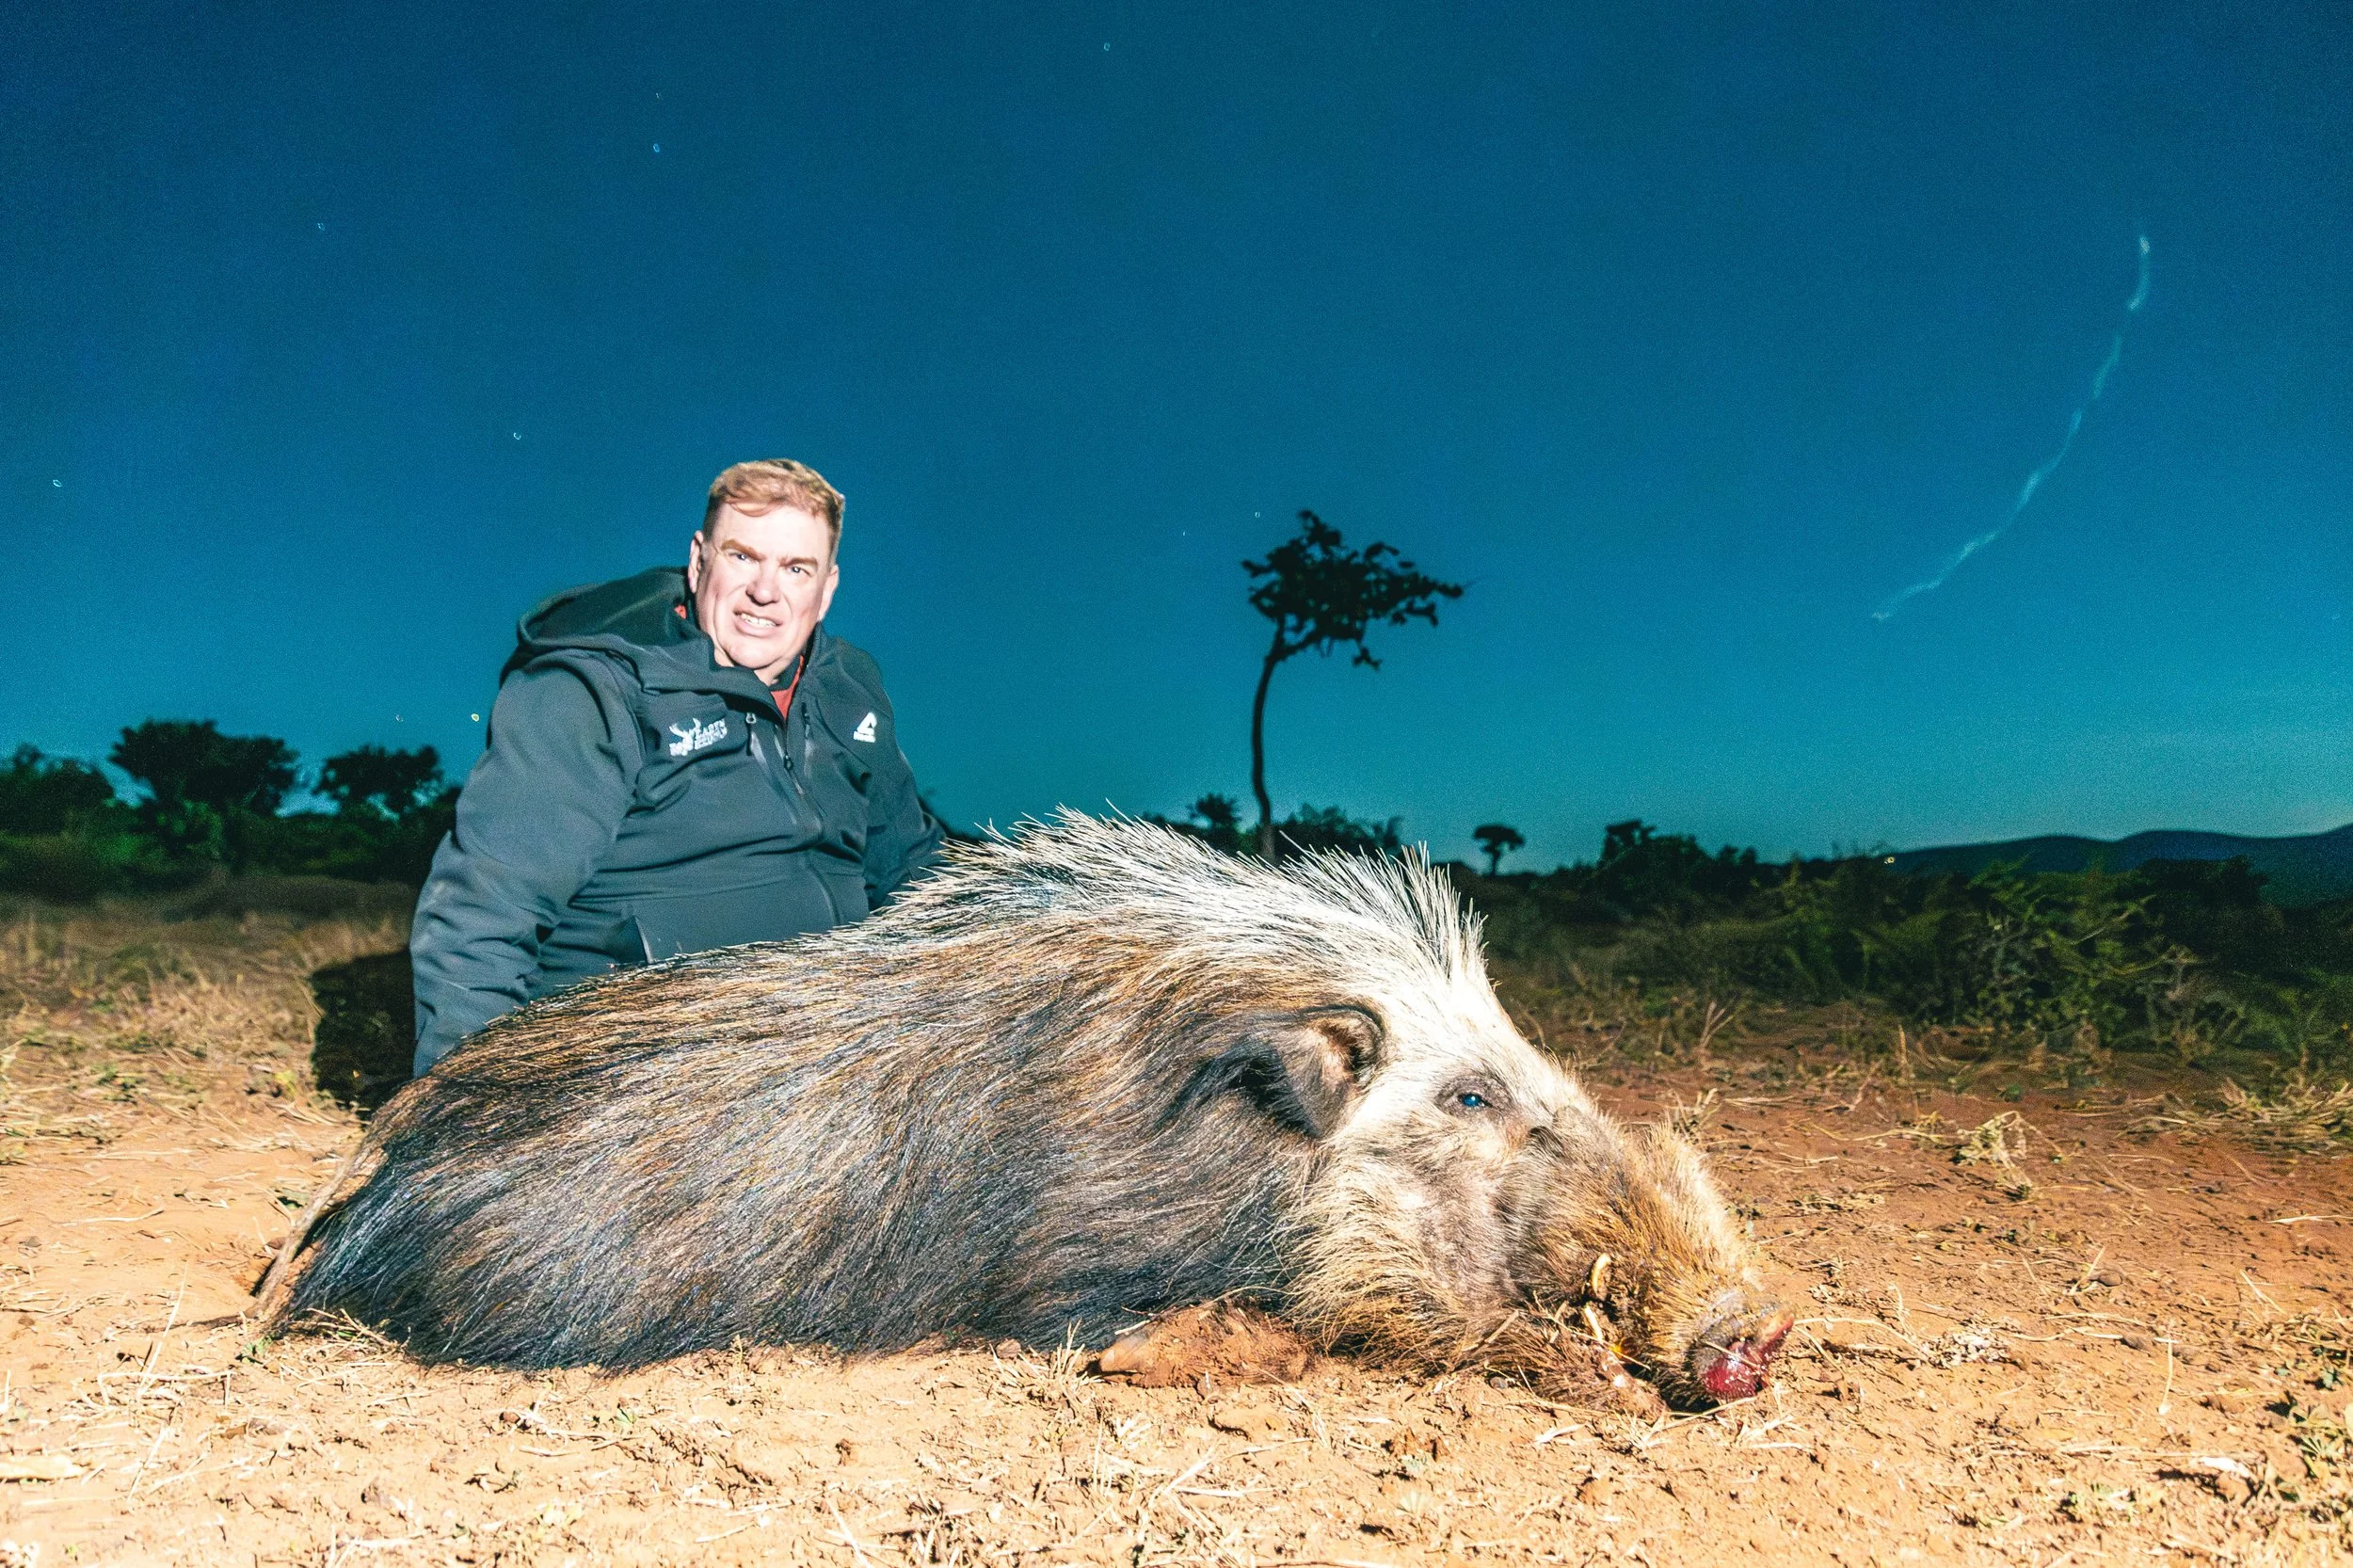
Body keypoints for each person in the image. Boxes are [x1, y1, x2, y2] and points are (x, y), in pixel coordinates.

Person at [408, 458, 942, 1073]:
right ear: (699, 560)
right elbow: (483, 913)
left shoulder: (849, 688)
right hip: (638, 1059)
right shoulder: (596, 685)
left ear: (825, 590)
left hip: (821, 1036)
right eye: (743, 557)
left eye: (796, 569)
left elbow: (911, 866)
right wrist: (470, 1109)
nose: (765, 592)